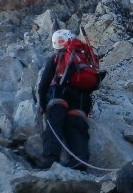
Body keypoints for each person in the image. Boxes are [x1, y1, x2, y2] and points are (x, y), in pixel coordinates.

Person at [36, 29, 93, 170]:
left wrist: (43, 106)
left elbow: (43, 85)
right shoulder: (82, 57)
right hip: (80, 98)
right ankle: (80, 160)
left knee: (55, 123)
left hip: (59, 94)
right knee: (77, 127)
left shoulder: (56, 58)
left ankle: (51, 158)